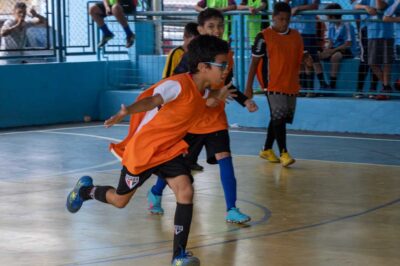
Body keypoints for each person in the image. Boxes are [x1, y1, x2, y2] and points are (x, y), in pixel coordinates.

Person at [66, 35, 232, 266]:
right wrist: (127, 111)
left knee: (185, 191)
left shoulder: (203, 92)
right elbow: (153, 100)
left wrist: (220, 95)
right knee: (119, 200)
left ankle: (179, 256)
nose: (226, 69)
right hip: (144, 151)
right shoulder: (177, 84)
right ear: (203, 67)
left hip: (168, 151)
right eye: (222, 65)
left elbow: (204, 101)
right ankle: (85, 191)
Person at [146, 8, 258, 224]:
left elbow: (226, 85)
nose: (217, 30)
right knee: (181, 165)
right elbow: (178, 84)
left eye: (220, 26)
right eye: (211, 26)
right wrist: (206, 98)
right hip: (192, 121)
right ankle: (156, 191)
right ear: (200, 29)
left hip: (215, 120)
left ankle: (231, 209)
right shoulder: (190, 56)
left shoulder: (227, 55)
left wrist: (245, 101)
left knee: (226, 160)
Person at [245, 1, 303, 167]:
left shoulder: (296, 36)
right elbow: (254, 63)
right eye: (281, 19)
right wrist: (248, 86)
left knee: (279, 117)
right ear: (273, 18)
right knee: (278, 115)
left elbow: (300, 56)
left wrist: (307, 60)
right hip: (272, 83)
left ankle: (266, 149)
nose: (284, 22)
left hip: (290, 82)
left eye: (287, 19)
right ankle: (284, 152)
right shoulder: (263, 37)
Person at [284, 0, 328, 97]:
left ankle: (310, 89)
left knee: (309, 60)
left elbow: (314, 5)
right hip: (294, 31)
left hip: (307, 31)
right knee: (298, 61)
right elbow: (283, 7)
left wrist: (298, 8)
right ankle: (301, 88)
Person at [354, 0, 394, 100]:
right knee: (372, 62)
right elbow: (356, 6)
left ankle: (384, 88)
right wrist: (365, 7)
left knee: (386, 63)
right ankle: (386, 87)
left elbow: (381, 6)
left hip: (386, 33)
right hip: (372, 32)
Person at [318, 3, 357, 90]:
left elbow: (348, 44)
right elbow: (331, 41)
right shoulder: (331, 26)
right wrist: (327, 49)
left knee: (335, 57)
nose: (327, 18)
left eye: (328, 16)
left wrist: (333, 51)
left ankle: (332, 83)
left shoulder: (347, 25)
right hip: (335, 49)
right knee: (316, 56)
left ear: (332, 16)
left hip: (347, 50)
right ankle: (323, 83)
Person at [351, 0, 379, 98]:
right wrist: (365, 7)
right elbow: (355, 6)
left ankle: (373, 90)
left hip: (378, 31)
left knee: (375, 60)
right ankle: (359, 90)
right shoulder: (361, 2)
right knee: (365, 59)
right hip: (366, 30)